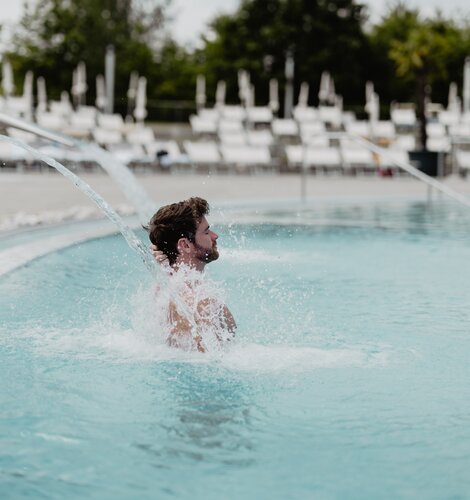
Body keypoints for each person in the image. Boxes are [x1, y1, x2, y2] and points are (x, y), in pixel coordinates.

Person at [145, 197, 236, 352]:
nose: (215, 236)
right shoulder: (200, 303)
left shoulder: (164, 288)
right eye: (206, 232)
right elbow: (209, 366)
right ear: (185, 245)